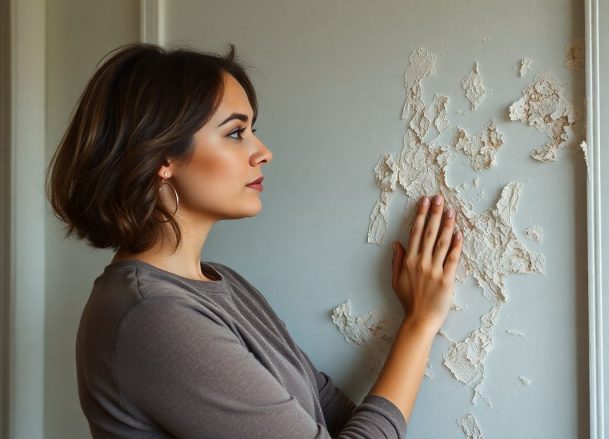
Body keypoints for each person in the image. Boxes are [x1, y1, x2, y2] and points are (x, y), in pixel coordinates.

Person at [46, 43, 463, 438]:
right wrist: (419, 323)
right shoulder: (151, 316)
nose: (263, 152)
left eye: (252, 130)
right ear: (162, 158)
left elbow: (330, 416)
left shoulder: (223, 285)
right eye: (235, 133)